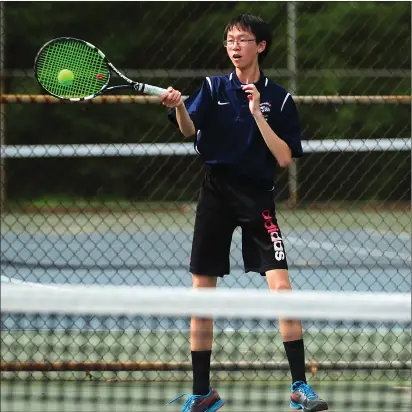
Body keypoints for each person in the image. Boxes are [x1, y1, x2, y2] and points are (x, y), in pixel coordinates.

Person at [161, 13, 328, 412]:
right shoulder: (213, 88)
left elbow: (285, 157)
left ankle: (299, 388)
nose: (235, 46)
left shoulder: (280, 98)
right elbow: (187, 130)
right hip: (215, 195)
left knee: (282, 291)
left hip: (258, 199)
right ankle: (203, 393)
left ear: (261, 46)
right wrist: (180, 106)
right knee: (202, 296)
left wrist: (258, 115)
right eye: (230, 40)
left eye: (243, 39)